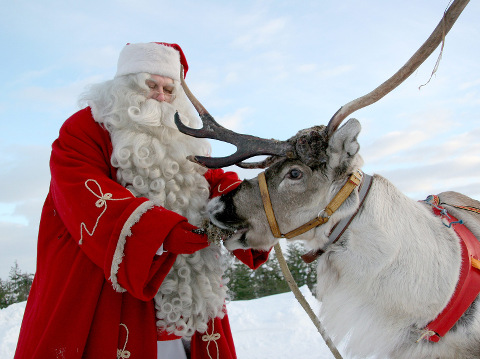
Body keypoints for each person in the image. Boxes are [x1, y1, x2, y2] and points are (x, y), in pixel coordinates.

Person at [14, 42, 270, 359]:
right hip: (109, 292)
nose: (160, 97)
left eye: (168, 89)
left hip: (187, 303)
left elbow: (212, 181)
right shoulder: (84, 129)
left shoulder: (186, 139)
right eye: (151, 85)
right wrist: (163, 232)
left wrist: (254, 204)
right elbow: (82, 191)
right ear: (124, 85)